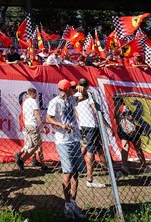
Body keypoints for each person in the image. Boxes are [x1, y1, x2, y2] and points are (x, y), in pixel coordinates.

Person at [46, 79, 86, 219]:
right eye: (72, 88)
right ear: (67, 89)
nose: (74, 90)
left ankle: (73, 203)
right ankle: (67, 204)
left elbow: (84, 96)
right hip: (63, 141)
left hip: (75, 139)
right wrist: (61, 125)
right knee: (67, 172)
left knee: (76, 173)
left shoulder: (71, 99)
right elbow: (48, 119)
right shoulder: (55, 102)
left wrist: (83, 89)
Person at [74, 78, 107, 188]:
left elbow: (76, 111)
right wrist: (104, 124)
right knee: (91, 150)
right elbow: (95, 110)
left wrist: (80, 122)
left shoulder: (75, 96)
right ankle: (90, 179)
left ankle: (112, 171)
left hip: (83, 126)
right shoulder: (89, 94)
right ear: (87, 86)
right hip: (91, 125)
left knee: (99, 148)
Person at [14, 88, 50, 173]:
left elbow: (26, 114)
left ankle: (24, 157)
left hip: (27, 124)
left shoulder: (25, 102)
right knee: (37, 145)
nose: (36, 96)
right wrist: (43, 124)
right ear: (33, 94)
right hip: (32, 125)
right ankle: (22, 161)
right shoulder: (33, 101)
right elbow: (36, 113)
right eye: (35, 94)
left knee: (32, 144)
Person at [116, 98, 151, 175]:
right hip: (131, 129)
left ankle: (125, 166)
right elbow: (132, 117)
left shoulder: (118, 107)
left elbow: (116, 119)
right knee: (136, 147)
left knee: (126, 147)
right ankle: (143, 166)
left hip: (123, 128)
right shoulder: (126, 107)